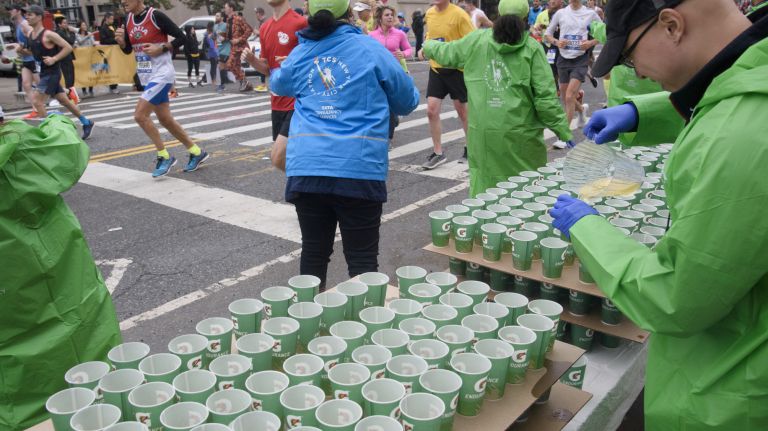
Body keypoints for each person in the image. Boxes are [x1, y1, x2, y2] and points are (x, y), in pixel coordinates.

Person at [551, 0, 768, 429]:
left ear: (671, 25)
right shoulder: (751, 67)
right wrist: (641, 112)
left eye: (630, 57)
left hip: (728, 396)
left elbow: (677, 296)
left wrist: (588, 228)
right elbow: (721, 102)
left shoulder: (748, 134)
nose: (636, 73)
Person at [269, 0, 419, 288]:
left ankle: (307, 326)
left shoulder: (301, 53)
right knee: (362, 262)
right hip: (359, 170)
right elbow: (408, 100)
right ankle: (365, 328)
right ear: (350, 13)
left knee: (313, 254)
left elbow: (278, 83)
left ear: (310, 15)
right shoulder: (370, 49)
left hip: (308, 170)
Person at [0, 116, 121, 431]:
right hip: (67, 289)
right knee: (93, 385)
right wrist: (55, 117)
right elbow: (67, 147)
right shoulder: (23, 148)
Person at [423, 0, 571, 196]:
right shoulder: (531, 48)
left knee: (485, 187)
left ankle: (484, 224)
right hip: (521, 133)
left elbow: (448, 52)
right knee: (525, 189)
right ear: (526, 18)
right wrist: (563, 131)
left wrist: (428, 45)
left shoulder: (478, 40)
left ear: (498, 15)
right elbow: (545, 99)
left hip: (483, 133)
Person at [116, 0, 210, 177]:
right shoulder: (128, 19)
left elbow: (182, 37)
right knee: (165, 119)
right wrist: (122, 42)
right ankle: (197, 152)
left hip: (162, 74)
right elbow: (129, 49)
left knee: (140, 115)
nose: (123, 1)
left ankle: (163, 155)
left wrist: (163, 47)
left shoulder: (155, 16)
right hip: (147, 76)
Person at [241, 0, 307, 168]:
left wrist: (294, 61)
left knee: (279, 156)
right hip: (277, 103)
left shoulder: (301, 23)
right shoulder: (265, 27)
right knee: (289, 159)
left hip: (298, 103)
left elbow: (314, 59)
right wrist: (252, 60)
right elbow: (266, 69)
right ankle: (308, 190)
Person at [417, 0, 474, 168]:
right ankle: (438, 153)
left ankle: (470, 148)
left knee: (462, 111)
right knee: (431, 110)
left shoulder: (459, 14)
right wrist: (424, 47)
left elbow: (472, 40)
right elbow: (430, 36)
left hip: (456, 69)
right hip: (436, 68)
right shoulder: (430, 13)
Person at [26, 6, 95, 140]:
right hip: (43, 73)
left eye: (30, 14)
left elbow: (68, 47)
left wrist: (54, 58)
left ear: (39, 17)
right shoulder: (30, 34)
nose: (27, 17)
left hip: (52, 73)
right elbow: (34, 52)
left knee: (36, 101)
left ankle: (48, 134)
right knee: (65, 101)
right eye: (26, 15)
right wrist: (20, 51)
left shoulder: (49, 34)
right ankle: (86, 122)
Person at [545, 0, 601, 147]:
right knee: (565, 98)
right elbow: (547, 34)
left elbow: (605, 33)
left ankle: (564, 136)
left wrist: (590, 43)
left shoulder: (590, 13)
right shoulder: (561, 13)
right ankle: (582, 110)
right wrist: (557, 42)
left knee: (569, 95)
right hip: (563, 58)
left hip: (580, 59)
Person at [369, 5, 412, 145]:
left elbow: (409, 49)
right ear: (380, 18)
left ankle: (388, 137)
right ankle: (388, 128)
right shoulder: (372, 35)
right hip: (377, 73)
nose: (390, 17)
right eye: (387, 15)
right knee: (381, 103)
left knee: (391, 105)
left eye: (391, 15)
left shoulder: (399, 34)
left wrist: (403, 54)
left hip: (394, 72)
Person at [10, 5, 39, 119]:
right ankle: (35, 109)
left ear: (17, 11)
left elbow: (33, 37)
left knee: (43, 85)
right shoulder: (17, 25)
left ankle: (67, 92)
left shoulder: (24, 24)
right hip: (25, 59)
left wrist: (22, 47)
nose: (9, 13)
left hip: (33, 59)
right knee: (26, 85)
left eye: (11, 10)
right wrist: (18, 47)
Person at [223, 1, 254, 92]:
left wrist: (239, 39)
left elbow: (249, 30)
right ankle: (244, 82)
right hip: (233, 47)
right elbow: (230, 34)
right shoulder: (228, 20)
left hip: (241, 46)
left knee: (231, 64)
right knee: (231, 65)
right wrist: (224, 36)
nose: (224, 9)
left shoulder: (238, 19)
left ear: (231, 8)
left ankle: (244, 82)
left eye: (226, 7)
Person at [54, 16, 79, 105]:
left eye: (66, 23)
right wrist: (73, 32)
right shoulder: (59, 32)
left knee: (71, 76)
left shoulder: (64, 31)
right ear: (59, 24)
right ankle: (70, 95)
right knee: (69, 76)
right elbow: (70, 41)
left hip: (67, 56)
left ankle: (71, 94)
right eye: (64, 23)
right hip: (64, 57)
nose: (66, 25)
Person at [99, 12, 120, 95]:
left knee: (115, 68)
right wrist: (115, 40)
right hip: (107, 52)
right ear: (106, 18)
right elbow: (103, 41)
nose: (112, 20)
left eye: (113, 18)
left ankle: (114, 85)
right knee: (110, 69)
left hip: (114, 51)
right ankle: (113, 87)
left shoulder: (113, 27)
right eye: (111, 18)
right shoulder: (103, 28)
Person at [75, 21, 96, 97]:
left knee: (91, 73)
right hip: (81, 57)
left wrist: (93, 42)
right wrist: (88, 36)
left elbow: (93, 42)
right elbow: (80, 42)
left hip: (90, 56)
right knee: (83, 73)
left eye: (85, 24)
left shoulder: (89, 33)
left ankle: (91, 90)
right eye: (83, 25)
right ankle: (84, 91)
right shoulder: (77, 34)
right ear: (80, 26)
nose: (85, 26)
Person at [214, 12, 232, 90]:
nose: (216, 17)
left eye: (217, 16)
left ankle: (222, 85)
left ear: (222, 18)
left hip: (226, 49)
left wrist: (225, 38)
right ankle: (224, 82)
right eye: (215, 16)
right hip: (219, 49)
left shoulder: (225, 25)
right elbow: (215, 37)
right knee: (224, 67)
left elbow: (230, 36)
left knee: (221, 66)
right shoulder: (215, 26)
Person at [203, 22, 219, 87]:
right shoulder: (207, 34)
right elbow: (208, 44)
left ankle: (207, 78)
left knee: (214, 65)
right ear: (211, 27)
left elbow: (216, 39)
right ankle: (213, 80)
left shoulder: (213, 33)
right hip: (211, 51)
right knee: (213, 66)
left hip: (214, 50)